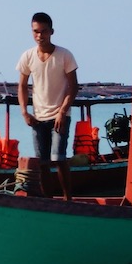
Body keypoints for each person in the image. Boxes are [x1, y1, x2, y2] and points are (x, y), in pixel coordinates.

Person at [16, 12, 79, 200]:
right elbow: (22, 86)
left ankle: (68, 199)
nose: (39, 36)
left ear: (51, 31)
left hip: (60, 115)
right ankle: (47, 200)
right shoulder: (27, 56)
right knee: (43, 163)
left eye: (43, 31)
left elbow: (73, 87)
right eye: (36, 32)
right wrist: (24, 112)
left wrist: (62, 112)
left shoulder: (64, 55)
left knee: (58, 158)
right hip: (38, 117)